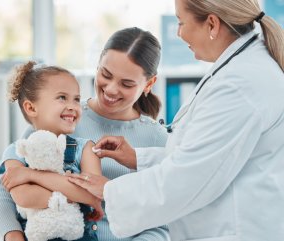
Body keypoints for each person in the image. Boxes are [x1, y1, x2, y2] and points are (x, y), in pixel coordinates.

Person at [67, 1, 284, 241]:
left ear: (212, 24)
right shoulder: (240, 69)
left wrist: (109, 190)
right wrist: (137, 158)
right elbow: (205, 157)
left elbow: (189, 177)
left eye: (181, 22)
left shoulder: (240, 84)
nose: (178, 33)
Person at [0, 27, 170, 241]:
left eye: (126, 83)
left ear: (149, 84)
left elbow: (159, 222)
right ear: (97, 66)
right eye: (106, 74)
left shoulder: (157, 139)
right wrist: (13, 234)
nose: (111, 89)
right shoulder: (61, 119)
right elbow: (4, 187)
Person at [0, 60, 104, 241]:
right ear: (31, 107)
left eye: (76, 99)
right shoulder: (16, 152)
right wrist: (73, 195)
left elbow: (93, 194)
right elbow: (24, 197)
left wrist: (31, 175)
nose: (73, 105)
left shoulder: (86, 149)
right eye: (62, 97)